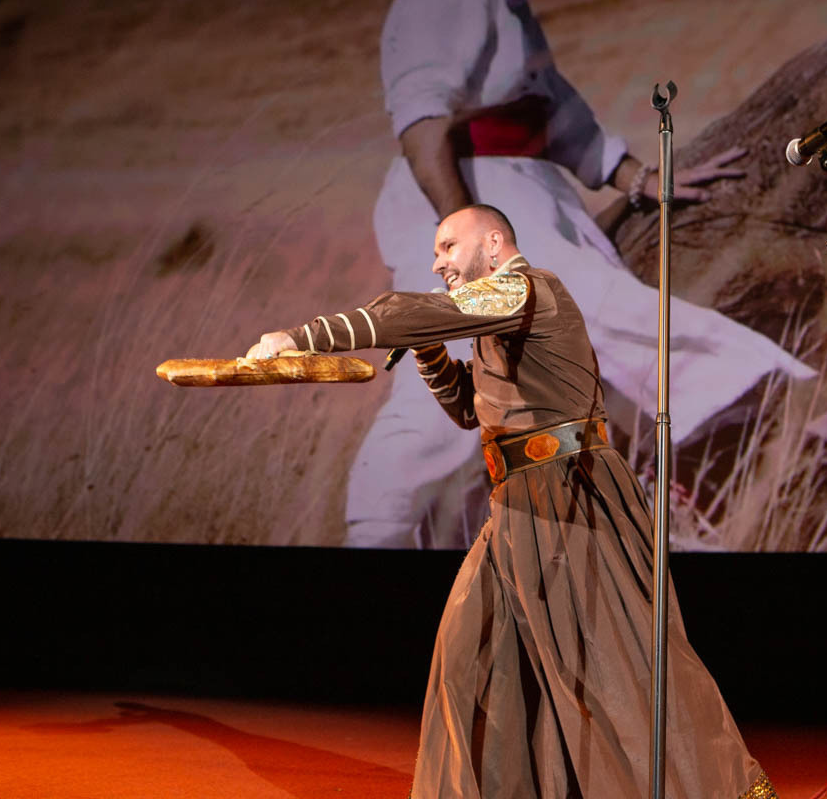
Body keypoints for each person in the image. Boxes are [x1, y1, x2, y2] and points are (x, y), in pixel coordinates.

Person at [248, 205, 777, 799]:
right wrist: (427, 350)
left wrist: (301, 338)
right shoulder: (499, 316)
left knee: (615, 667)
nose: (438, 261)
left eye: (449, 246)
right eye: (437, 250)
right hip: (519, 504)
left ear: (494, 243)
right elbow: (469, 410)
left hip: (572, 498)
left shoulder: (527, 289)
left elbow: (408, 309)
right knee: (471, 655)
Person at [346, 0, 815, 549]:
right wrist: (468, 248)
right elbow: (424, 136)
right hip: (471, 202)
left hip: (526, 197)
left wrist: (637, 177)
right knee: (458, 386)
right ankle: (374, 537)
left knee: (586, 347)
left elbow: (555, 113)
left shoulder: (506, 7)